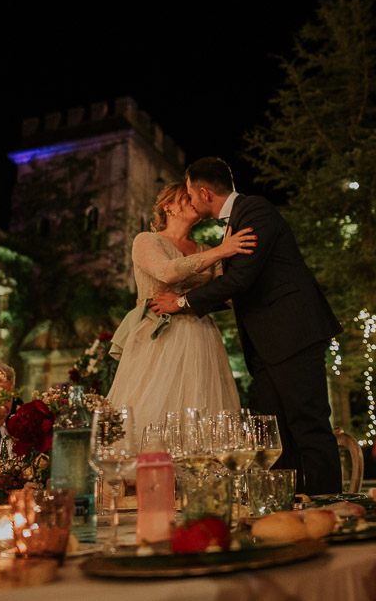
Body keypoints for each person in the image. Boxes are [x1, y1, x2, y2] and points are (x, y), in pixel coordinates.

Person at [150, 157, 343, 495]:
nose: (192, 202)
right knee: (275, 436)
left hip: (293, 335)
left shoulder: (256, 211)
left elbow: (240, 279)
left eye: (192, 195)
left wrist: (181, 303)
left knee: (309, 427)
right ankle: (289, 506)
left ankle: (330, 507)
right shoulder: (233, 224)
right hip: (268, 345)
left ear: (205, 192)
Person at [106, 182, 254, 433]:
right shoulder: (146, 240)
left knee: (201, 409)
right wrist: (221, 250)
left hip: (201, 336)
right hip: (158, 336)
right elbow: (167, 272)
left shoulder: (206, 250)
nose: (194, 201)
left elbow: (228, 292)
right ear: (169, 207)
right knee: (152, 408)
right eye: (186, 197)